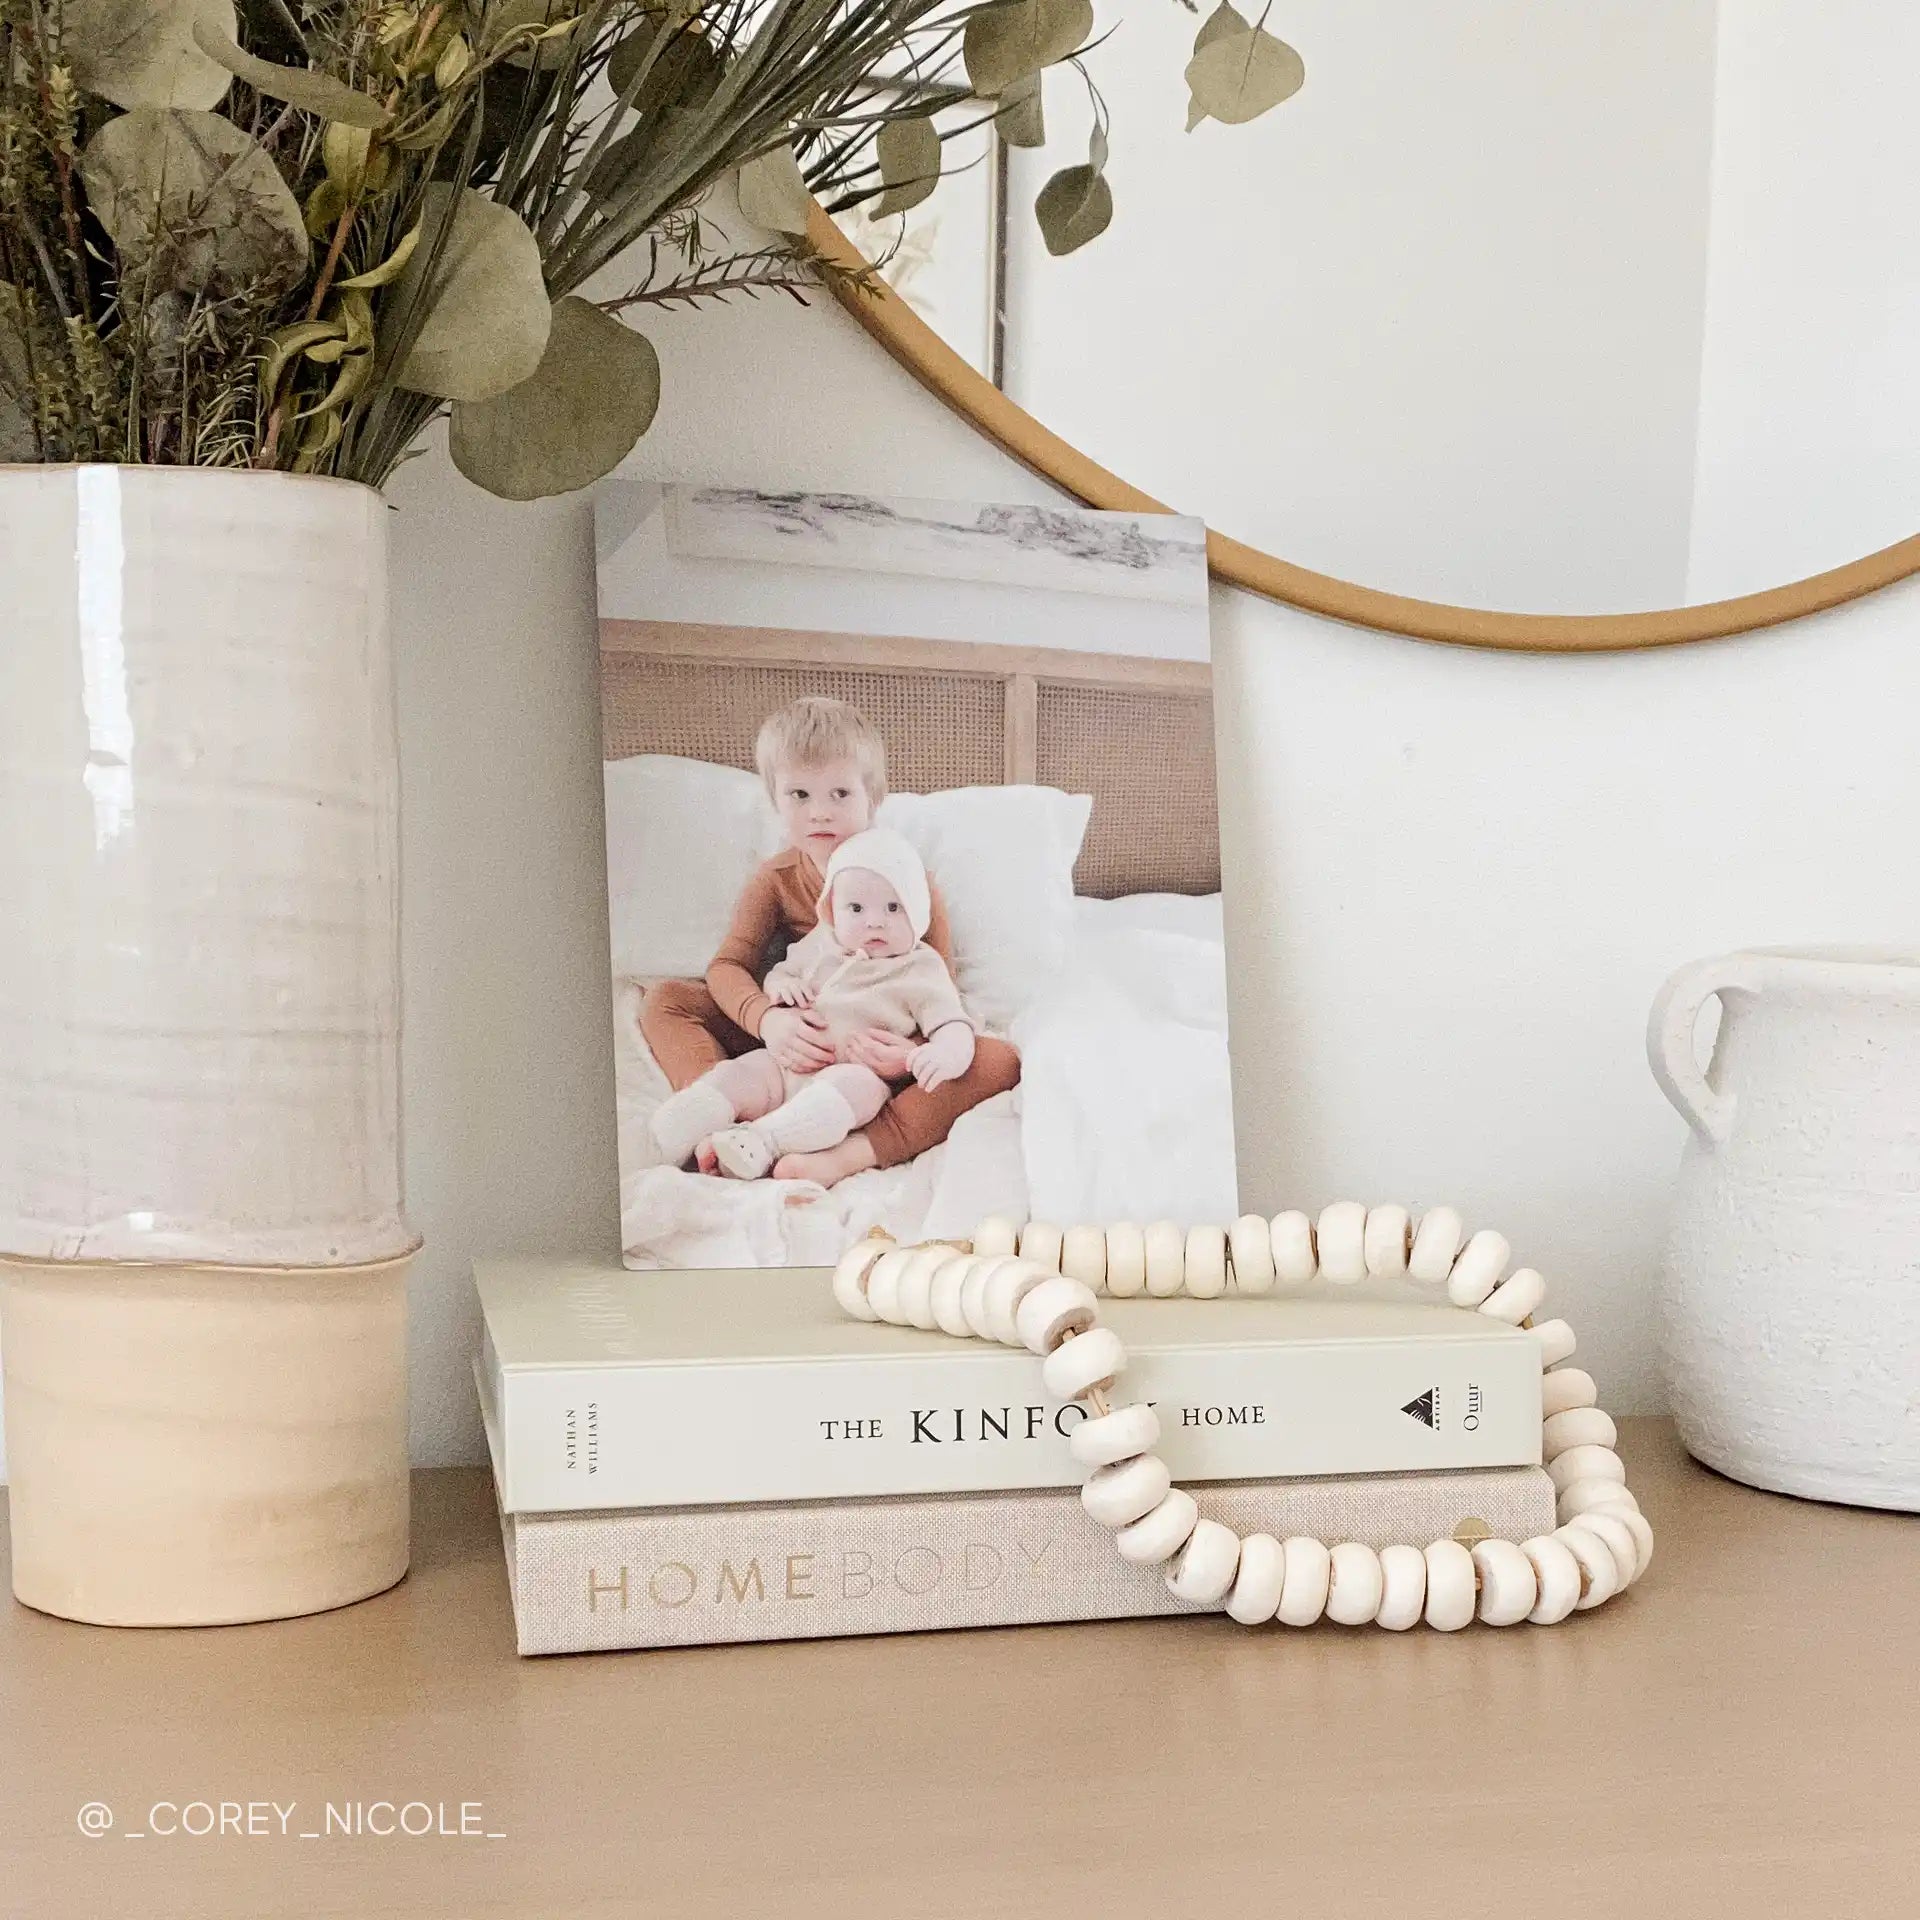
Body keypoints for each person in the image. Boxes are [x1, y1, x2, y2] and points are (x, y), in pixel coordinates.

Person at [639, 694, 1021, 1187]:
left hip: (876, 1045)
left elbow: (937, 987)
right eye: (799, 795)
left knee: (996, 1058)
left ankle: (848, 1154)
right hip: (794, 1031)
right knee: (666, 1000)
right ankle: (725, 1125)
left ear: (873, 798)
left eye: (839, 794)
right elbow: (728, 966)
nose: (820, 813)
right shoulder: (777, 877)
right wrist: (770, 1019)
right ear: (775, 800)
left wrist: (905, 1053)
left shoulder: (910, 882)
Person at [649, 829, 975, 1180]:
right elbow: (779, 973)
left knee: (856, 1090)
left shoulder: (920, 967)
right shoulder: (823, 943)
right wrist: (783, 986)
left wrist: (942, 1054)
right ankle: (666, 1136)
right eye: (856, 908)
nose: (875, 921)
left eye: (894, 908)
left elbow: (951, 1022)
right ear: (833, 912)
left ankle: (761, 1142)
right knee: (737, 1074)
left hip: (851, 1070)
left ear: (918, 911)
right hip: (785, 1065)